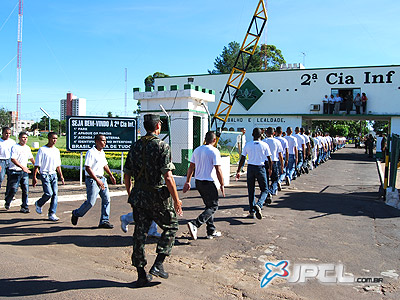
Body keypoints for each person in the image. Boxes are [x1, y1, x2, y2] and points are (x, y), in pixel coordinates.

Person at [123, 114, 183, 287]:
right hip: (157, 197)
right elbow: (168, 177)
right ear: (157, 126)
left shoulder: (135, 146)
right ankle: (158, 264)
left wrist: (130, 193)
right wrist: (176, 200)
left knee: (139, 235)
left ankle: (141, 274)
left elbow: (127, 175)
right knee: (171, 226)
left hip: (139, 197)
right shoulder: (162, 146)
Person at [184, 131, 225, 240]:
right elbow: (218, 169)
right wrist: (222, 184)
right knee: (213, 206)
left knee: (208, 206)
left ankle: (211, 231)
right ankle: (195, 224)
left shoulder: (197, 150)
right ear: (214, 140)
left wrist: (188, 181)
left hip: (198, 182)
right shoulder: (214, 151)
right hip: (208, 182)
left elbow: (191, 167)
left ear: (205, 139)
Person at [71, 134, 116, 228]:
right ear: (96, 141)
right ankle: (76, 213)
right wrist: (97, 180)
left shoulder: (102, 152)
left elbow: (105, 165)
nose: (105, 143)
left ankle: (104, 221)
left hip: (102, 178)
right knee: (91, 202)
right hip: (92, 180)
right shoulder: (91, 152)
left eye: (105, 141)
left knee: (107, 199)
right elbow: (88, 168)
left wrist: (111, 175)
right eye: (103, 141)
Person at [236, 128, 272, 220]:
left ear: (252, 134)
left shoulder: (248, 145)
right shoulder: (265, 145)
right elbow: (269, 159)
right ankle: (259, 205)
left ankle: (252, 210)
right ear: (261, 135)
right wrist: (270, 169)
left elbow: (242, 159)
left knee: (251, 190)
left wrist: (238, 170)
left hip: (251, 167)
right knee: (265, 189)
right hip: (260, 167)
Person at [32, 132, 65, 221]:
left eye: (56, 139)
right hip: (45, 174)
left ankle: (52, 213)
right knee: (48, 193)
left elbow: (58, 165)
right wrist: (34, 177)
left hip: (53, 174)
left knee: (55, 194)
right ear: (49, 138)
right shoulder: (42, 150)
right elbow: (37, 165)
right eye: (53, 138)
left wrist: (61, 176)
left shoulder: (56, 150)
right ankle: (39, 203)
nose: (55, 140)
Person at [4, 132, 34, 212]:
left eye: (26, 138)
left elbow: (31, 158)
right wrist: (22, 167)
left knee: (25, 189)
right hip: (14, 171)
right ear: (20, 138)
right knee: (13, 189)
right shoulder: (15, 147)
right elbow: (13, 159)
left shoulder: (27, 148)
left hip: (24, 172)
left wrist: (37, 166)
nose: (25, 139)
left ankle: (24, 206)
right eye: (23, 137)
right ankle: (8, 200)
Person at [263, 127, 284, 196]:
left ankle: (266, 191)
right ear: (274, 133)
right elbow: (280, 154)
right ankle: (271, 190)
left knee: (265, 178)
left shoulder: (263, 141)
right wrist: (282, 164)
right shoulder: (277, 142)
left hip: (265, 162)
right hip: (274, 161)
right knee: (275, 179)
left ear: (266, 133)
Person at [274, 126, 288, 191]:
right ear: (281, 132)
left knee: (276, 173)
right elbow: (287, 151)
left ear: (275, 132)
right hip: (282, 157)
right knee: (283, 171)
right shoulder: (284, 140)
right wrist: (287, 159)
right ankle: (279, 181)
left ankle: (276, 183)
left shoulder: (274, 140)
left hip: (274, 158)